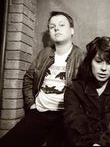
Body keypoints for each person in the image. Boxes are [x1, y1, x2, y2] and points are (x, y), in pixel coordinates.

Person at [0, 11, 84, 146]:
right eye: (52, 26)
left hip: (66, 117)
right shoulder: (44, 54)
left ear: (72, 31)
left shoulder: (82, 57)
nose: (56, 28)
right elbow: (28, 78)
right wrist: (31, 104)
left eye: (62, 25)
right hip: (39, 113)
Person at [64, 36, 110, 146]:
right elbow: (74, 124)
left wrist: (100, 143)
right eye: (98, 61)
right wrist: (92, 143)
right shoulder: (74, 89)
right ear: (89, 62)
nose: (103, 68)